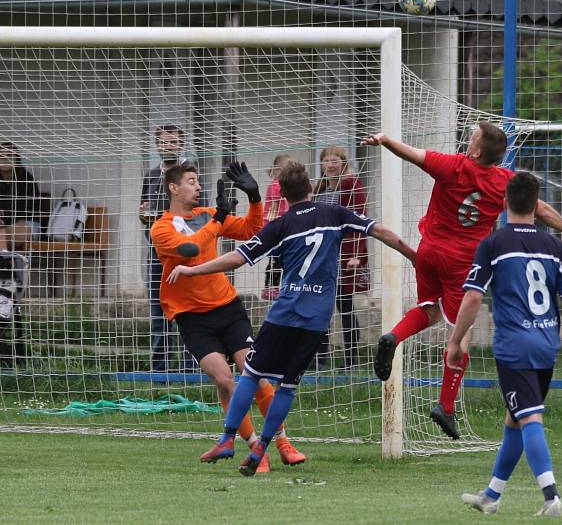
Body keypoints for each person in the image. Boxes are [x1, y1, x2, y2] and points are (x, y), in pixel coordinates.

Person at [167, 160, 415, 476]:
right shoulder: (335, 214)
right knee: (287, 387)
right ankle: (262, 447)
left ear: (281, 194)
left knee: (252, 375)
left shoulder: (281, 225)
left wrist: (193, 268)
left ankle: (228, 438)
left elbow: (238, 258)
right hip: (317, 320)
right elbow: (379, 230)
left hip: (285, 313)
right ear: (310, 187)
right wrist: (413, 256)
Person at [361, 121, 562, 439]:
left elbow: (411, 154)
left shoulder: (452, 166)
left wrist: (384, 140)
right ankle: (446, 406)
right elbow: (540, 208)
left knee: (428, 310)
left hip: (429, 251)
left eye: (472, 137)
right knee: (460, 332)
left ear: (477, 150)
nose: (467, 139)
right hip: (461, 263)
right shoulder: (503, 182)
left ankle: (394, 336)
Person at [448, 172, 562, 517]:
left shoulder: (494, 244)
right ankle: (491, 496)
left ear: (503, 202)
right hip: (546, 343)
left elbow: (472, 297)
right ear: (537, 204)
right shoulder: (555, 246)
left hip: (514, 346)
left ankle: (552, 496)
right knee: (516, 417)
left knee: (530, 418)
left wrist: (455, 341)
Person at [151, 160, 305, 472]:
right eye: (191, 181)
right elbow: (190, 250)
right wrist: (219, 218)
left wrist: (255, 197)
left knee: (256, 374)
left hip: (227, 308)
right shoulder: (161, 227)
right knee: (224, 380)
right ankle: (253, 450)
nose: (197, 186)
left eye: (197, 181)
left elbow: (253, 229)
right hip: (192, 318)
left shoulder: (208, 215)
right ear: (173, 188)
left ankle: (283, 442)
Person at [139, 125, 191, 372]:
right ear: (157, 145)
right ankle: (160, 371)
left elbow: (195, 211)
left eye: (172, 142)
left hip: (182, 255)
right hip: (155, 254)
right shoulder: (150, 175)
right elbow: (144, 210)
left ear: (181, 144)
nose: (168, 146)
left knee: (187, 311)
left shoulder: (189, 172)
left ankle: (189, 370)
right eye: (163, 142)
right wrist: (144, 215)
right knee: (158, 314)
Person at [312, 147, 369, 369]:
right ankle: (320, 358)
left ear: (343, 163)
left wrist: (356, 254)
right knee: (320, 306)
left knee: (345, 306)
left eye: (335, 160)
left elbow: (360, 218)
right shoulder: (320, 189)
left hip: (344, 254)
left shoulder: (352, 184)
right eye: (326, 161)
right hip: (322, 255)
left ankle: (351, 360)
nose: (330, 164)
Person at [0, 142, 43, 251]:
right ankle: (4, 260)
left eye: (9, 155)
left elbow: (26, 211)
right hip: (2, 226)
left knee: (20, 228)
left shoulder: (26, 179)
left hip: (24, 225)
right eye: (1, 156)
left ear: (16, 158)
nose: (5, 158)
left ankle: (4, 260)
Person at [261, 154, 291, 301]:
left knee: (280, 257)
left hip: (280, 225)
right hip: (274, 225)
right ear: (277, 170)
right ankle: (270, 286)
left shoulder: (280, 184)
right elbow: (277, 204)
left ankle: (276, 286)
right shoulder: (276, 185)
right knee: (275, 257)